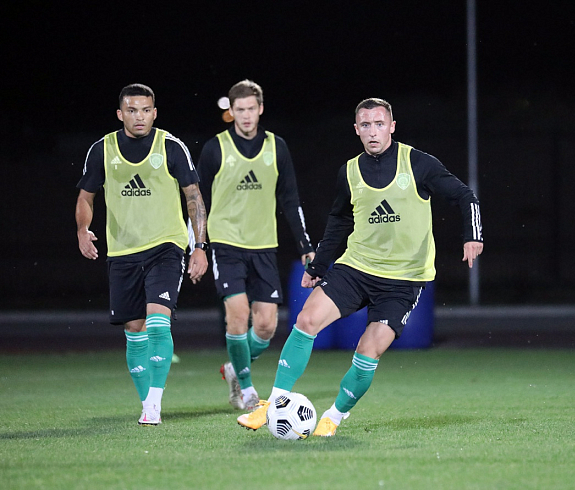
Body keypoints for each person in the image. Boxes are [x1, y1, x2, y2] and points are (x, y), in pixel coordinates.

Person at [238, 97, 483, 436]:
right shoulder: (350, 171)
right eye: (365, 125)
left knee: (369, 350)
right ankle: (272, 404)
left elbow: (466, 196)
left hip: (403, 280)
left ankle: (334, 416)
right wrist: (317, 267)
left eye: (379, 124)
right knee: (306, 320)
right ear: (356, 129)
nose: (373, 131)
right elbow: (339, 220)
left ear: (392, 126)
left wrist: (472, 235)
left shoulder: (418, 163)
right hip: (357, 268)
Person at [75, 83, 208, 426]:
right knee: (134, 329)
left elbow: (194, 198)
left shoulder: (171, 146)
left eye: (146, 110)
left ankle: (153, 404)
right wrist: (82, 229)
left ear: (155, 113)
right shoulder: (102, 150)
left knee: (158, 320)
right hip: (122, 252)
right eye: (132, 110)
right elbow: (86, 196)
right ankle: (146, 399)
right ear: (120, 114)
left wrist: (200, 246)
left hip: (166, 247)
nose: (140, 116)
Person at [196, 79, 315, 411]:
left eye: (251, 109)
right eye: (240, 110)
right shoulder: (215, 148)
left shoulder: (277, 147)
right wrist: (198, 246)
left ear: (260, 109)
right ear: (231, 111)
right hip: (226, 244)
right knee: (238, 314)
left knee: (265, 326)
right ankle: (247, 391)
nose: (246, 116)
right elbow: (197, 201)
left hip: (264, 246)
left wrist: (305, 244)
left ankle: (235, 367)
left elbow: (290, 199)